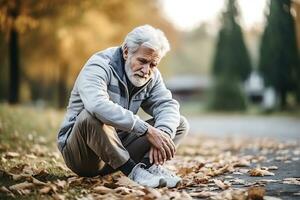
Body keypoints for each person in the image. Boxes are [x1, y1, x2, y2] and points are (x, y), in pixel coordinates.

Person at [57, 25, 189, 188]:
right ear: (126, 52)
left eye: (153, 64)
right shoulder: (99, 65)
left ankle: (148, 167)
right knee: (89, 117)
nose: (146, 70)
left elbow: (166, 105)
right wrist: (146, 130)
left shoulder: (152, 76)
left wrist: (162, 135)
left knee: (179, 124)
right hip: (83, 156)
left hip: (115, 153)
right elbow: (96, 105)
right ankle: (134, 173)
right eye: (142, 61)